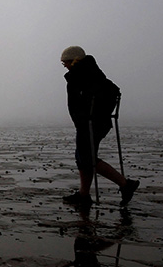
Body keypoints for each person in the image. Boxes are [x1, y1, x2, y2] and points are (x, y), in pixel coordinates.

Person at [60, 46, 140, 207]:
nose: (65, 66)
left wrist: (84, 118)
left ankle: (125, 184)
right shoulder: (90, 72)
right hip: (92, 123)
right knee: (83, 157)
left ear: (74, 60)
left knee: (87, 158)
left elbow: (86, 100)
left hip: (91, 123)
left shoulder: (83, 74)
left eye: (66, 62)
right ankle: (83, 195)